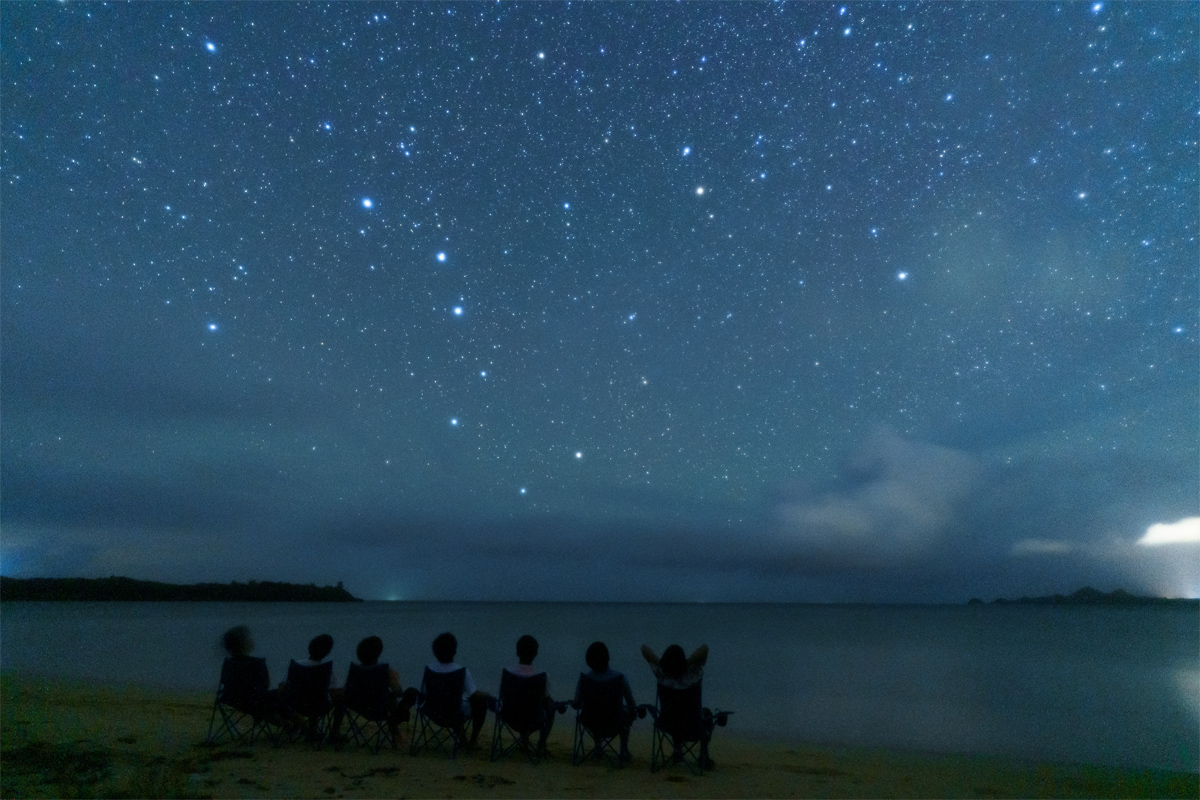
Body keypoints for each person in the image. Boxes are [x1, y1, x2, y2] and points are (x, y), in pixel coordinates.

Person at [641, 643, 715, 768]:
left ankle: (677, 750)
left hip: (668, 725)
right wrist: (687, 663)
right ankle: (703, 755)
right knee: (706, 713)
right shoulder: (694, 675)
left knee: (675, 715)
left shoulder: (662, 675)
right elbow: (705, 648)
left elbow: (644, 649)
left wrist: (662, 664)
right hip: (692, 726)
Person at [336, 636, 417, 743]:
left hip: (359, 708)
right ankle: (396, 735)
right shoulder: (386, 671)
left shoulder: (355, 671)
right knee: (393, 699)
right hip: (380, 710)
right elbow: (398, 692)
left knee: (341, 697)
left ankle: (334, 733)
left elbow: (346, 692)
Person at [573, 641, 637, 761]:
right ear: (607, 658)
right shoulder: (620, 678)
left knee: (594, 711)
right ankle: (623, 749)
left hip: (591, 723)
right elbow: (631, 705)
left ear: (589, 661)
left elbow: (576, 704)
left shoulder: (585, 680)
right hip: (615, 723)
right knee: (629, 713)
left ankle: (598, 747)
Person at [427, 631, 491, 749]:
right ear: (455, 651)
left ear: (435, 652)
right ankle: (473, 741)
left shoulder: (429, 670)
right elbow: (474, 695)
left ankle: (462, 738)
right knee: (480, 702)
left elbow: (426, 693)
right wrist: (488, 695)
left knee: (454, 703)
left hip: (434, 713)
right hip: (454, 714)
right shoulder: (461, 671)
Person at [502, 634, 565, 752]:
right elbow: (546, 700)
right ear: (535, 654)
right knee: (550, 704)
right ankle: (541, 744)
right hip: (533, 719)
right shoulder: (541, 676)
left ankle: (524, 741)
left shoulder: (508, 674)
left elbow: (503, 698)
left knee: (519, 702)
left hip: (510, 718)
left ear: (517, 652)